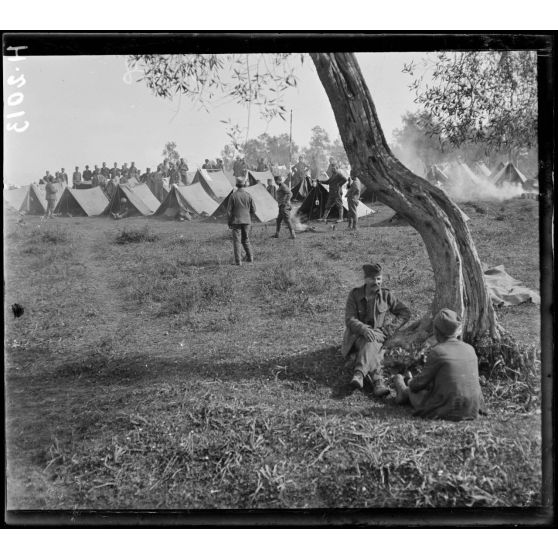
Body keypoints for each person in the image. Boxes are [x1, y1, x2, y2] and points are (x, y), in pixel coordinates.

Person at [392, 309, 486, 421]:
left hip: (446, 408)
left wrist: (410, 382)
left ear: (436, 331)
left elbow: (419, 384)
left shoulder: (438, 352)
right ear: (457, 331)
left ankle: (402, 388)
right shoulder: (470, 349)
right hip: (472, 407)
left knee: (413, 391)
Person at [343, 263, 411, 396]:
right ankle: (378, 382)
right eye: (373, 279)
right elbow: (349, 319)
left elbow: (405, 313)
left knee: (372, 341)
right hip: (357, 336)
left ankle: (359, 374)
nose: (376, 282)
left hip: (379, 334)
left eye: (379, 279)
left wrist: (389, 329)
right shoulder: (354, 295)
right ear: (366, 279)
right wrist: (364, 329)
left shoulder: (386, 295)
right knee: (372, 344)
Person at [227, 176, 256, 266]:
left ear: (236, 184)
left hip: (236, 221)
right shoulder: (248, 195)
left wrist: (229, 222)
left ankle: (238, 261)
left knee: (237, 241)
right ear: (244, 185)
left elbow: (228, 211)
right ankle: (250, 258)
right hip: (247, 221)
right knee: (246, 239)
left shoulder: (233, 196)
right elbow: (254, 210)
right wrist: (247, 214)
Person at [272, 175, 296, 240]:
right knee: (278, 220)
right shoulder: (281, 186)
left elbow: (290, 193)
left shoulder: (283, 186)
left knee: (287, 220)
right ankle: (277, 234)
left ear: (278, 180)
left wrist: (285, 201)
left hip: (284, 206)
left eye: (275, 181)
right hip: (281, 206)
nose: (275, 182)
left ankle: (293, 235)